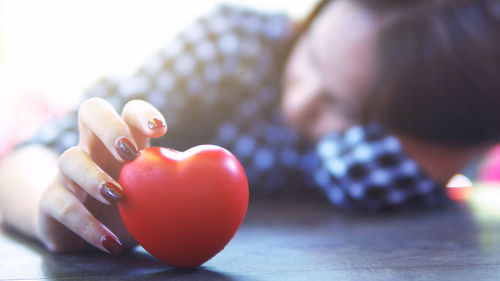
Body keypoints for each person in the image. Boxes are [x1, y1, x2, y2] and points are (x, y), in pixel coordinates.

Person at [1, 0, 499, 256]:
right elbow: (24, 161)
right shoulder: (232, 49)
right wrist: (62, 216)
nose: (300, 102)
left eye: (342, 107)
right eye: (312, 58)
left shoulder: (419, 141)